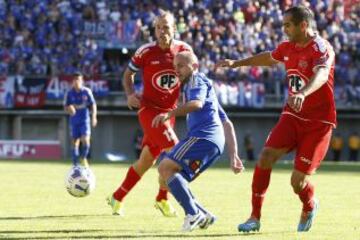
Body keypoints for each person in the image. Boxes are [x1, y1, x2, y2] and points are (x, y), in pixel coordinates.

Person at [216, 5, 336, 232]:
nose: (284, 29)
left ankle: (309, 205)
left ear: (303, 25)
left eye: (288, 25)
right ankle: (254, 217)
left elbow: (321, 75)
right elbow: (269, 58)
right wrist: (237, 63)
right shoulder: (287, 47)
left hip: (319, 123)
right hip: (292, 115)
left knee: (297, 181)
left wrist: (302, 93)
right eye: (283, 25)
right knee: (265, 157)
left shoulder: (322, 48)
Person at [107, 10, 193, 217]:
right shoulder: (145, 51)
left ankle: (117, 197)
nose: (162, 31)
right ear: (154, 30)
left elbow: (192, 75)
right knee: (176, 153)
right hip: (149, 110)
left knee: (146, 161)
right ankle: (175, 203)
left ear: (174, 29)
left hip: (169, 114)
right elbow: (128, 74)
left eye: (166, 27)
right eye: (159, 27)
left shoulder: (184, 50)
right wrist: (129, 95)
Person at [153, 51, 244, 232]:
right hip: (214, 143)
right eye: (174, 66)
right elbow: (226, 122)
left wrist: (169, 114)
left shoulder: (197, 81)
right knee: (168, 178)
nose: (176, 70)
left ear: (193, 66)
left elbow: (196, 104)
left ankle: (193, 214)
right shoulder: (203, 87)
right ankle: (203, 215)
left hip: (203, 137)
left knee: (165, 167)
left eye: (180, 66)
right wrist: (234, 155)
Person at [64, 72, 97, 167]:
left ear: (82, 81)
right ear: (72, 81)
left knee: (85, 140)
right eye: (74, 79)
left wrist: (94, 117)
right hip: (74, 121)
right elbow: (65, 106)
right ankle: (75, 163)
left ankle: (83, 158)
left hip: (84, 120)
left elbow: (93, 104)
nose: (76, 81)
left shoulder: (86, 92)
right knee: (75, 142)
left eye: (78, 79)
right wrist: (69, 108)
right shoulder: (69, 93)